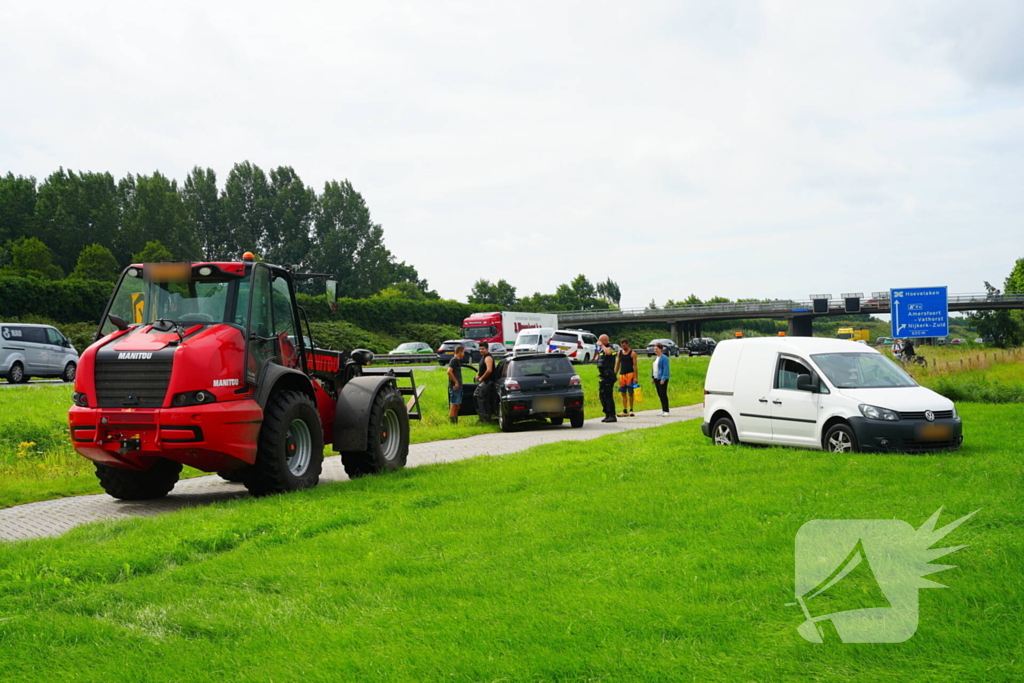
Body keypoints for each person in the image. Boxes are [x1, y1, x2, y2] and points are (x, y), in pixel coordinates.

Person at [595, 334, 618, 422]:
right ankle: (607, 414)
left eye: (600, 340)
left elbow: (609, 353)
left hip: (609, 376)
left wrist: (601, 345)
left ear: (605, 340)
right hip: (603, 376)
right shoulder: (602, 349)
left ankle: (612, 415)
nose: (599, 342)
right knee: (602, 396)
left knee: (608, 396)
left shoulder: (611, 348)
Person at [615, 338, 639, 417]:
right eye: (622, 345)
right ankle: (624, 410)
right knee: (623, 393)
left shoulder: (632, 353)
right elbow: (618, 364)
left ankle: (631, 410)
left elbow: (635, 366)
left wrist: (636, 377)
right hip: (622, 375)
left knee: (630, 393)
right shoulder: (620, 353)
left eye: (624, 345)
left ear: (628, 344)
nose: (623, 346)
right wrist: (614, 374)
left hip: (630, 374)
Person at [474, 343, 496, 423]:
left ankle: (485, 418)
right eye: (480, 349)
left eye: (483, 349)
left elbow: (489, 370)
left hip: (488, 382)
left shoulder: (488, 357)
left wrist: (482, 378)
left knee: (481, 398)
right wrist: (477, 375)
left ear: (487, 349)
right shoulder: (483, 358)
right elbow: (480, 369)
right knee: (477, 397)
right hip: (484, 381)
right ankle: (482, 417)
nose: (481, 350)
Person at [446, 344, 465, 424]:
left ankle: (455, 422)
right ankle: (452, 423)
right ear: (459, 352)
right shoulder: (454, 360)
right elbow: (449, 371)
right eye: (463, 352)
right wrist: (456, 382)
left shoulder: (457, 361)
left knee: (457, 406)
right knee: (453, 406)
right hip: (455, 387)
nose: (463, 354)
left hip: (458, 387)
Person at [651, 343, 671, 416]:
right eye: (654, 349)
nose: (655, 350)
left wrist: (663, 378)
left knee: (663, 394)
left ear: (660, 349)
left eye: (657, 349)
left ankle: (666, 410)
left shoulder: (664, 358)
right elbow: (653, 368)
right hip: (656, 378)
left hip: (662, 378)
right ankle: (663, 410)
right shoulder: (655, 358)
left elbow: (665, 369)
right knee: (659, 394)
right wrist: (653, 378)